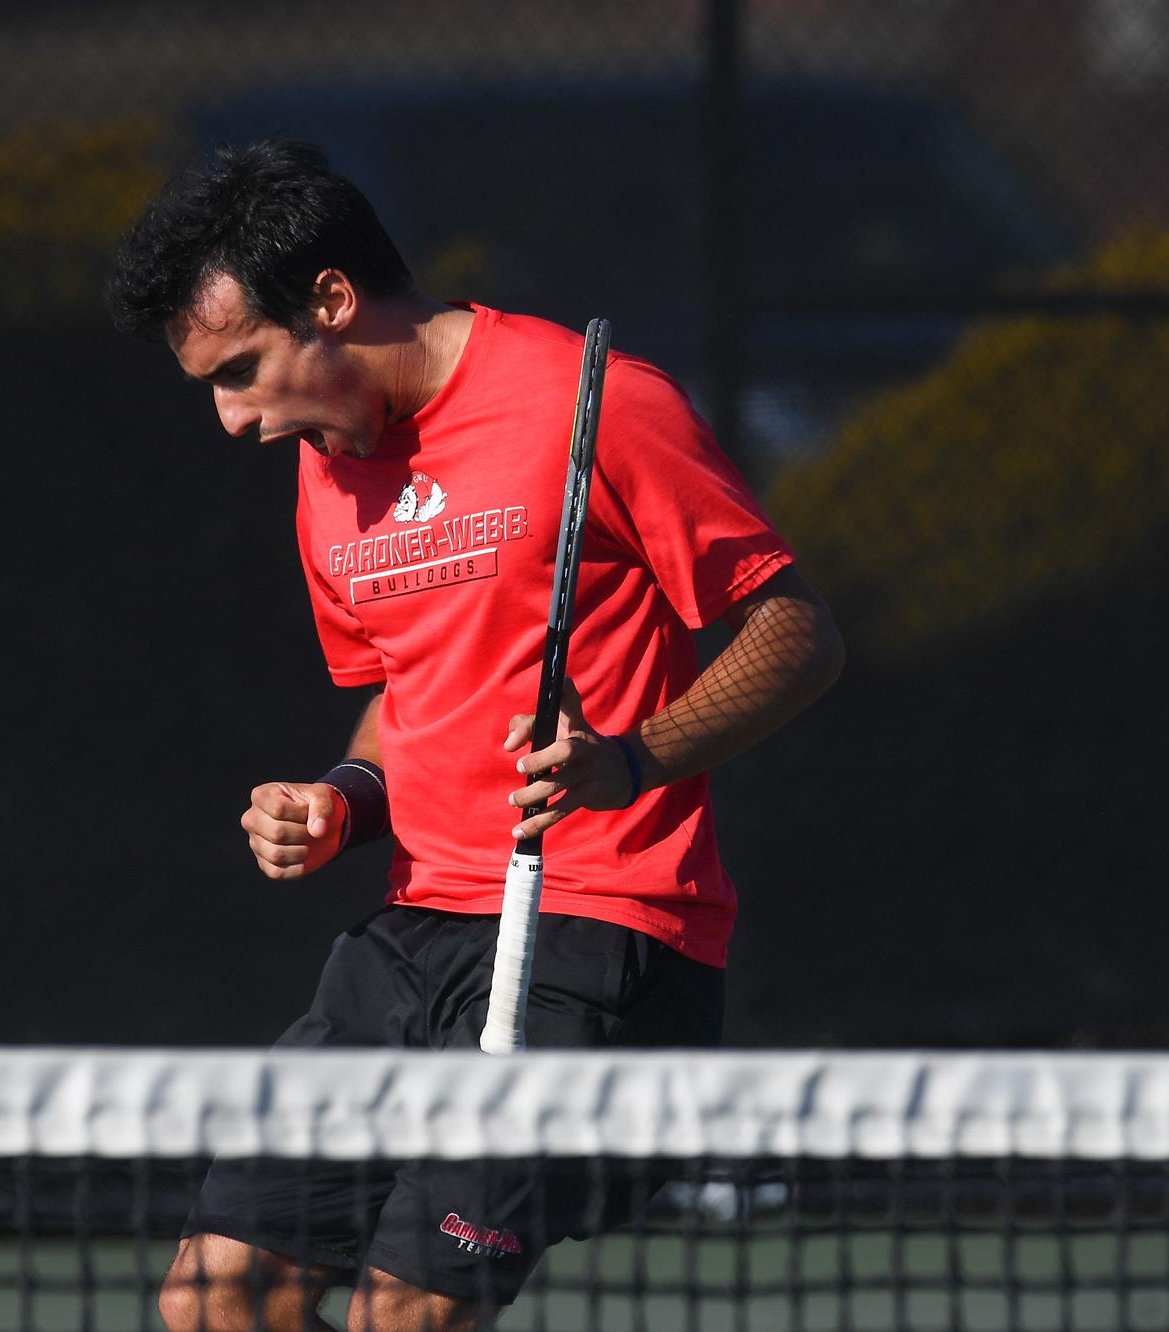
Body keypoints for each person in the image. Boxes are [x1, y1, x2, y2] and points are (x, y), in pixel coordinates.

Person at [105, 139, 844, 1332]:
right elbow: (406, 695)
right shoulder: (324, 468)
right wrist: (340, 797)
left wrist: (630, 758)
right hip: (409, 937)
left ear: (333, 303)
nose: (232, 419)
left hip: (597, 936)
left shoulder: (595, 405)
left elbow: (797, 635)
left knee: (405, 1313)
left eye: (242, 370)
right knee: (217, 1295)